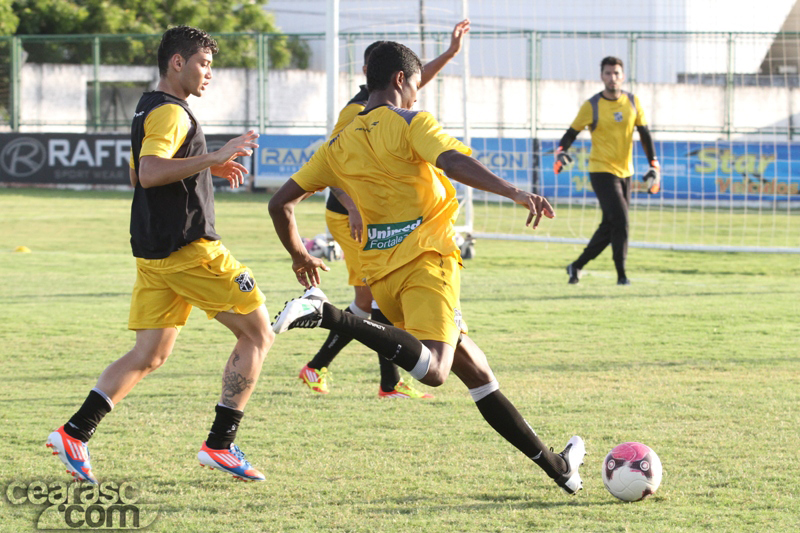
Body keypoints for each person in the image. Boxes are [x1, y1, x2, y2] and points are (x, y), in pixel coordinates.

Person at [268, 41, 586, 494]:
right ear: (400, 79)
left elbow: (280, 204)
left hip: (384, 278)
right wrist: (514, 192)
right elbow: (452, 161)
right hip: (427, 263)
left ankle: (560, 468)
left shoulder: (336, 144)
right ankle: (328, 314)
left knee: (477, 373)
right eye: (416, 84)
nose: (417, 94)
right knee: (436, 371)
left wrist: (299, 254)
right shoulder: (411, 122)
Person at [46, 26, 273, 483]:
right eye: (203, 63)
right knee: (257, 334)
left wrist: (204, 167)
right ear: (177, 62)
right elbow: (149, 173)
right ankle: (220, 444)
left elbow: (137, 173)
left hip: (155, 254)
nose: (209, 73)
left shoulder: (147, 106)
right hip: (189, 250)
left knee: (149, 354)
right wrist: (212, 157)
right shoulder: (171, 112)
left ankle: (75, 433)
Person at [302, 20, 471, 399]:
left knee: (377, 301)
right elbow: (329, 166)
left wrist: (449, 54)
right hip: (352, 216)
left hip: (380, 217)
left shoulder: (391, 107)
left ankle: (388, 382)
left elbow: (416, 80)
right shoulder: (354, 114)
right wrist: (352, 207)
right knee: (368, 301)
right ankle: (319, 366)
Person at [554, 56, 660, 285]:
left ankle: (576, 266)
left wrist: (654, 164)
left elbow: (644, 134)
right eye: (608, 73)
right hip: (601, 170)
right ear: (602, 76)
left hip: (626, 172)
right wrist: (561, 151)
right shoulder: (592, 105)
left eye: (616, 73)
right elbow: (571, 133)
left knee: (610, 224)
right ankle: (621, 275)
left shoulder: (633, 102)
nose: (613, 77)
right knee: (621, 220)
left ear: (623, 76)